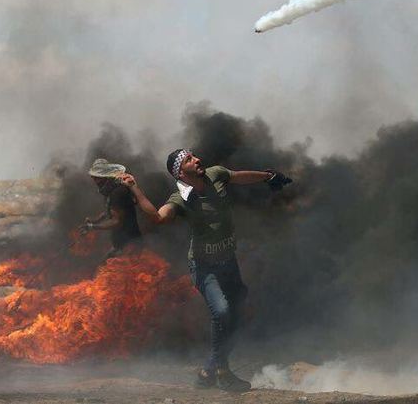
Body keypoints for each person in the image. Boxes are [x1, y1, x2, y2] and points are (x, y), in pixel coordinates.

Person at [120, 149, 291, 392]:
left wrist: (267, 176)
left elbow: (238, 176)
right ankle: (223, 371)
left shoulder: (216, 174)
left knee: (237, 310)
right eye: (189, 160)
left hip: (228, 262)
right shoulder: (180, 198)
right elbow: (158, 217)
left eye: (194, 155)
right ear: (180, 172)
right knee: (221, 311)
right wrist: (134, 188)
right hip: (203, 266)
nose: (197, 159)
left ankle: (208, 369)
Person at [79, 159, 142, 260]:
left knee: (110, 267)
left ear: (107, 176)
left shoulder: (117, 193)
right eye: (94, 176)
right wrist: (95, 220)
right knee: (105, 263)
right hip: (120, 244)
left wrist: (92, 227)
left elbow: (116, 221)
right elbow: (111, 210)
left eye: (98, 176)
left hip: (129, 245)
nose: (94, 179)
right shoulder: (109, 190)